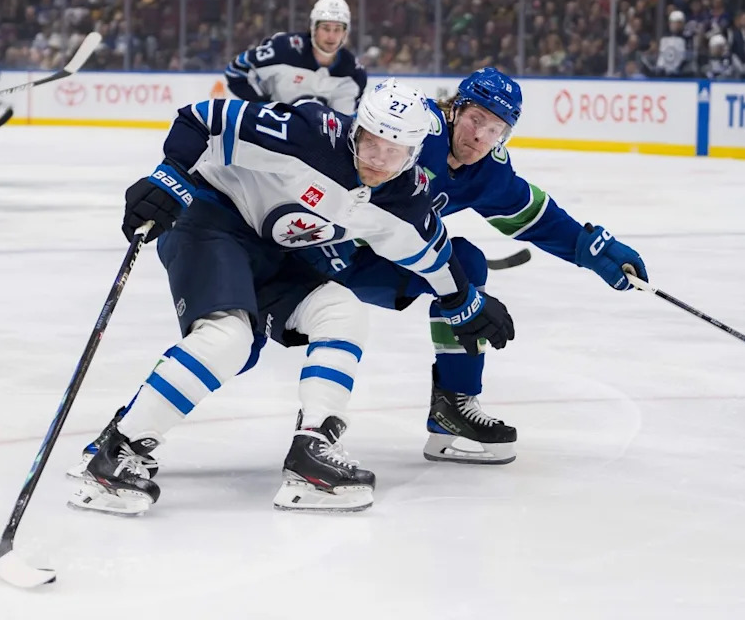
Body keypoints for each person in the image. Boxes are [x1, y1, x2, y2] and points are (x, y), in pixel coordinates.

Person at [67, 79, 515, 516]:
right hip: (210, 218)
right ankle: (116, 452)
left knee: (342, 312)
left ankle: (312, 451)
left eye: (394, 151)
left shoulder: (404, 199)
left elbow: (432, 257)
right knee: (228, 339)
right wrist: (169, 178)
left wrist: (466, 303)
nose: (378, 160)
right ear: (357, 128)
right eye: (372, 142)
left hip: (271, 250)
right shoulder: (310, 132)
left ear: (414, 153)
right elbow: (204, 119)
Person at [293, 68, 648, 465]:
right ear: (455, 109)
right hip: (309, 245)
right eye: (476, 119)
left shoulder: (487, 170)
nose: (480, 136)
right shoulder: (415, 129)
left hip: (369, 263)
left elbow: (537, 217)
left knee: (467, 265)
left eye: (495, 129)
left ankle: (452, 408)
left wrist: (593, 250)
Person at [224, 0, 366, 115]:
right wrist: (262, 107)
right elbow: (236, 70)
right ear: (313, 28)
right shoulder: (284, 49)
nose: (331, 36)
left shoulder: (353, 73)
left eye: (337, 29)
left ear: (345, 33)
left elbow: (345, 124)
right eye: (326, 28)